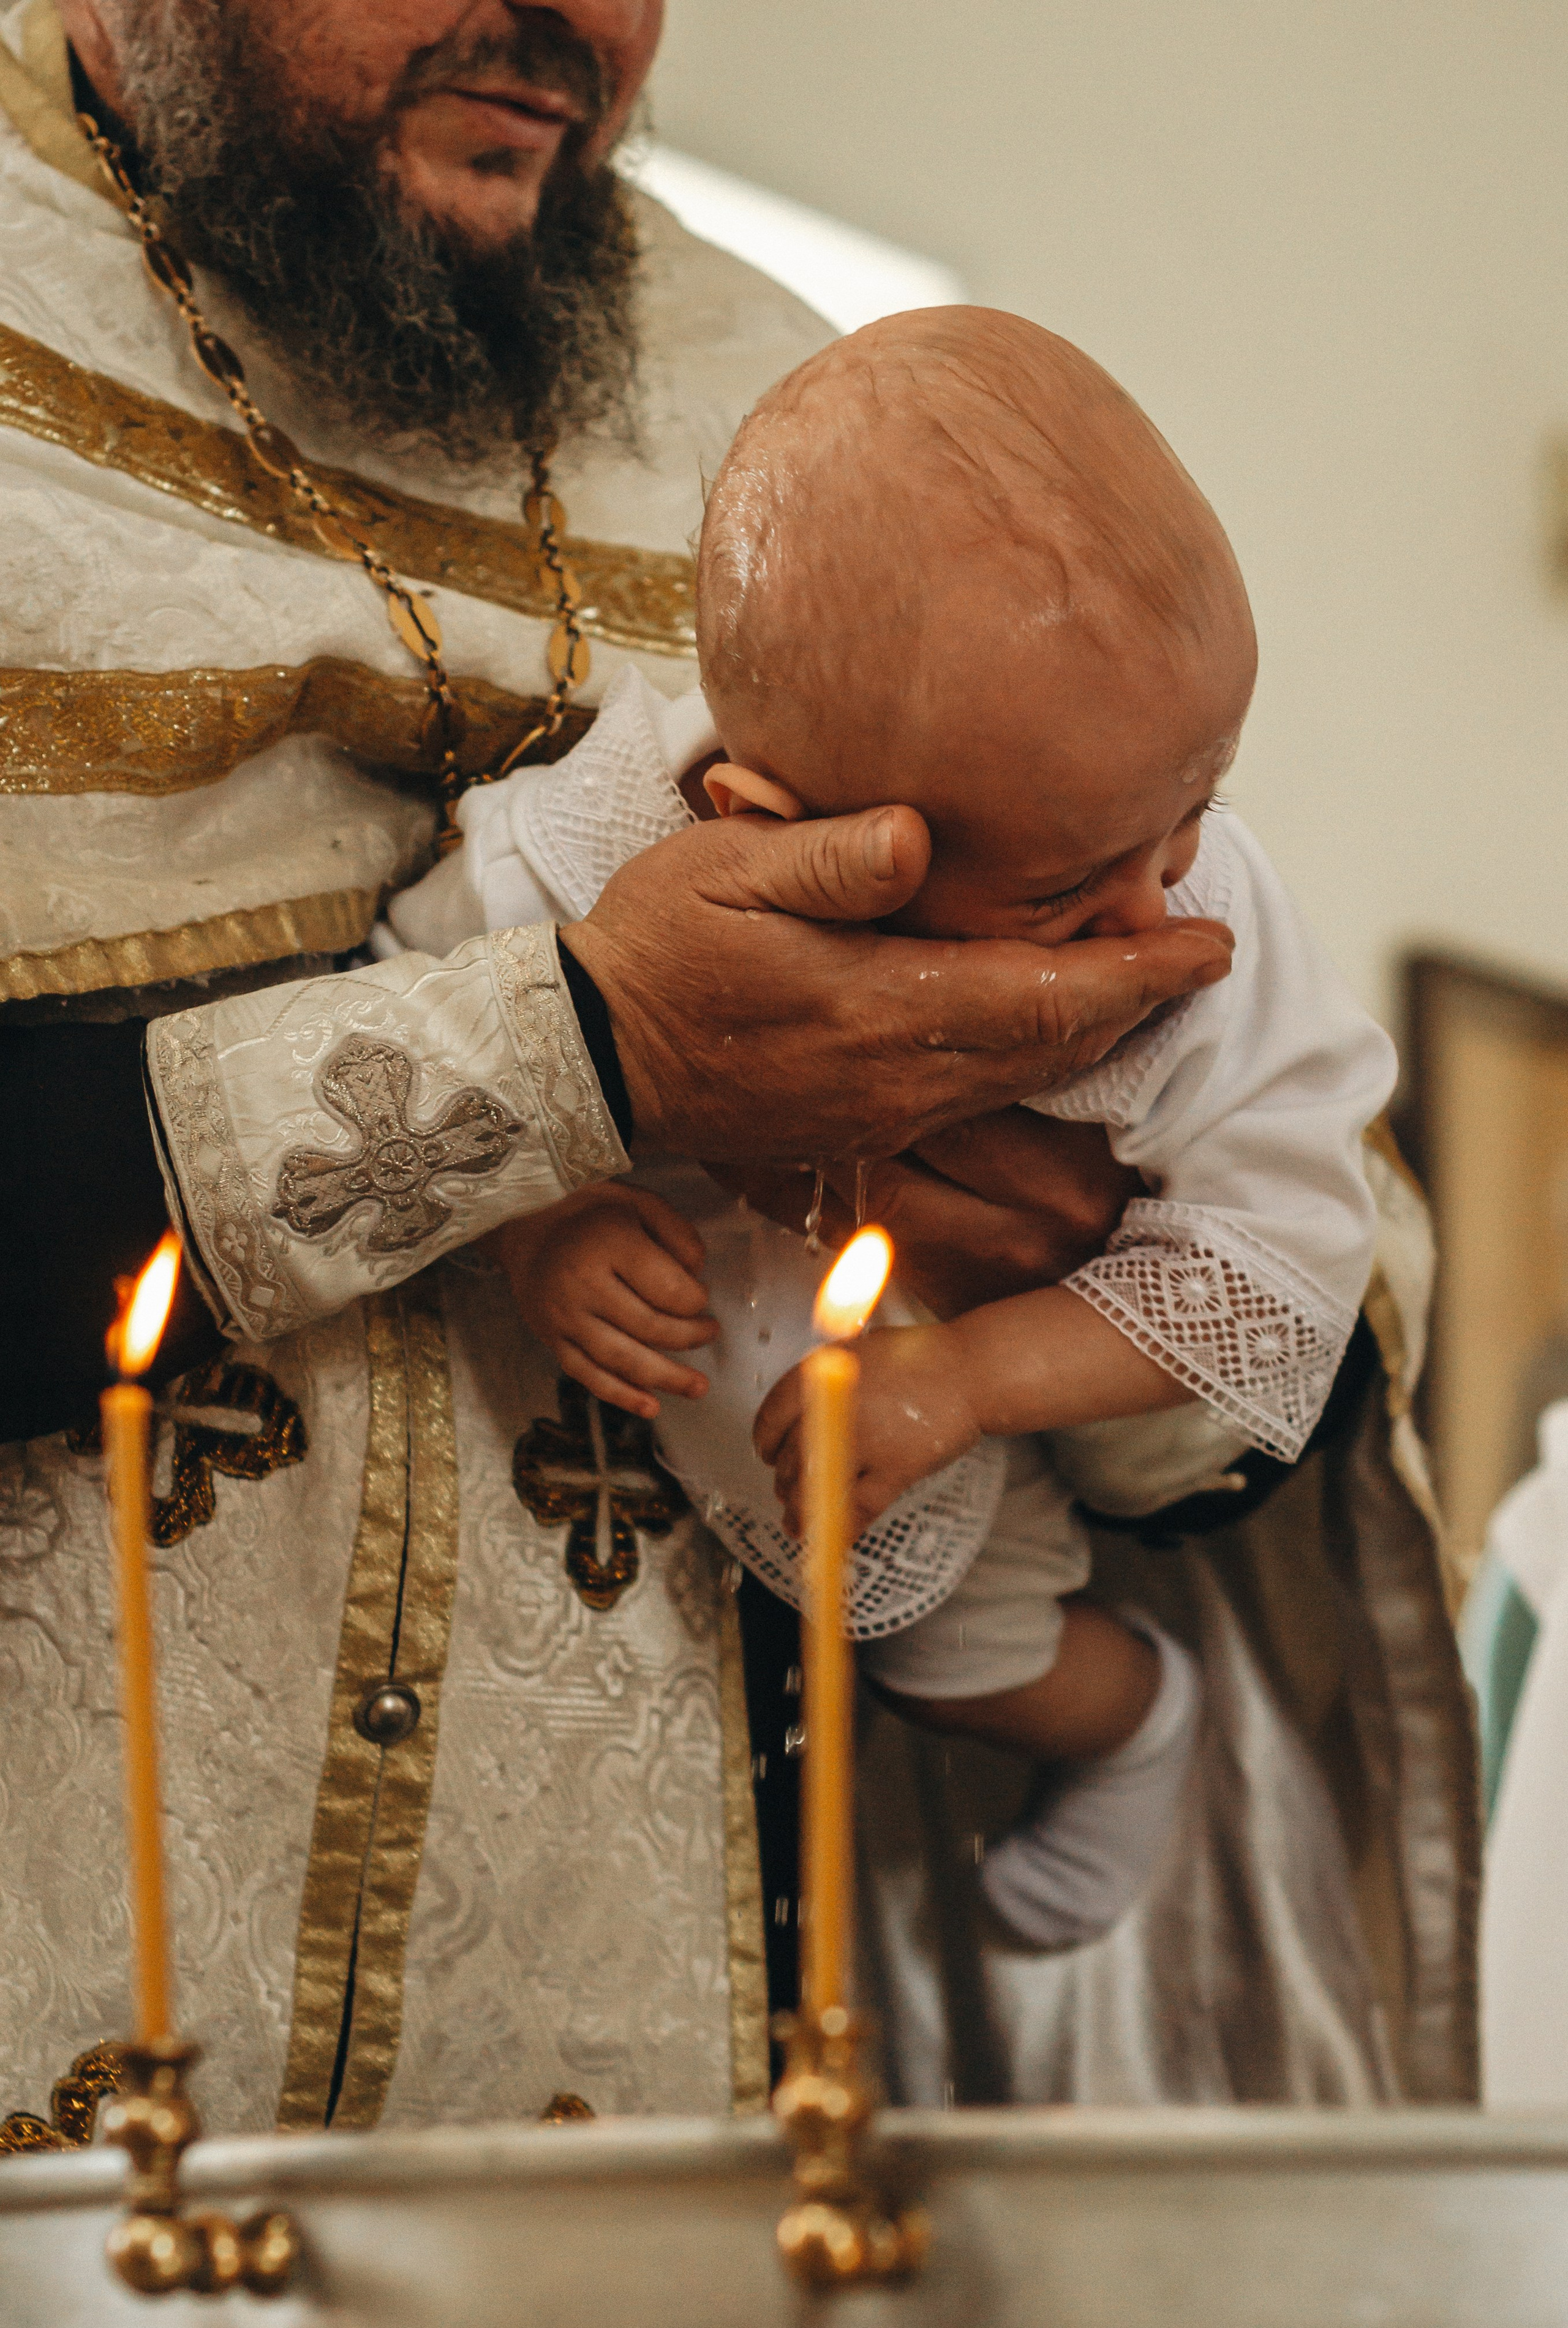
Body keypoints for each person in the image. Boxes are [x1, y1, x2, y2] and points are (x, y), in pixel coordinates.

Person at [0, 0, 1232, 2141]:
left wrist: (1085, 1221)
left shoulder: (829, 429)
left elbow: (1292, 1252)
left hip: (663, 2076)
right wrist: (582, 1051)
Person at [391, 308, 1396, 1957]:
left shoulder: (1198, 901)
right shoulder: (581, 842)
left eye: (1196, 809)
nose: (1159, 911)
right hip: (678, 1400)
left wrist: (975, 1378)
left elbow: (1288, 1249)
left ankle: (1136, 1717)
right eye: (1064, 889)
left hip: (987, 1384)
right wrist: (537, 1224)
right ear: (777, 830)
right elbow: (426, 1019)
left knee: (958, 1649)